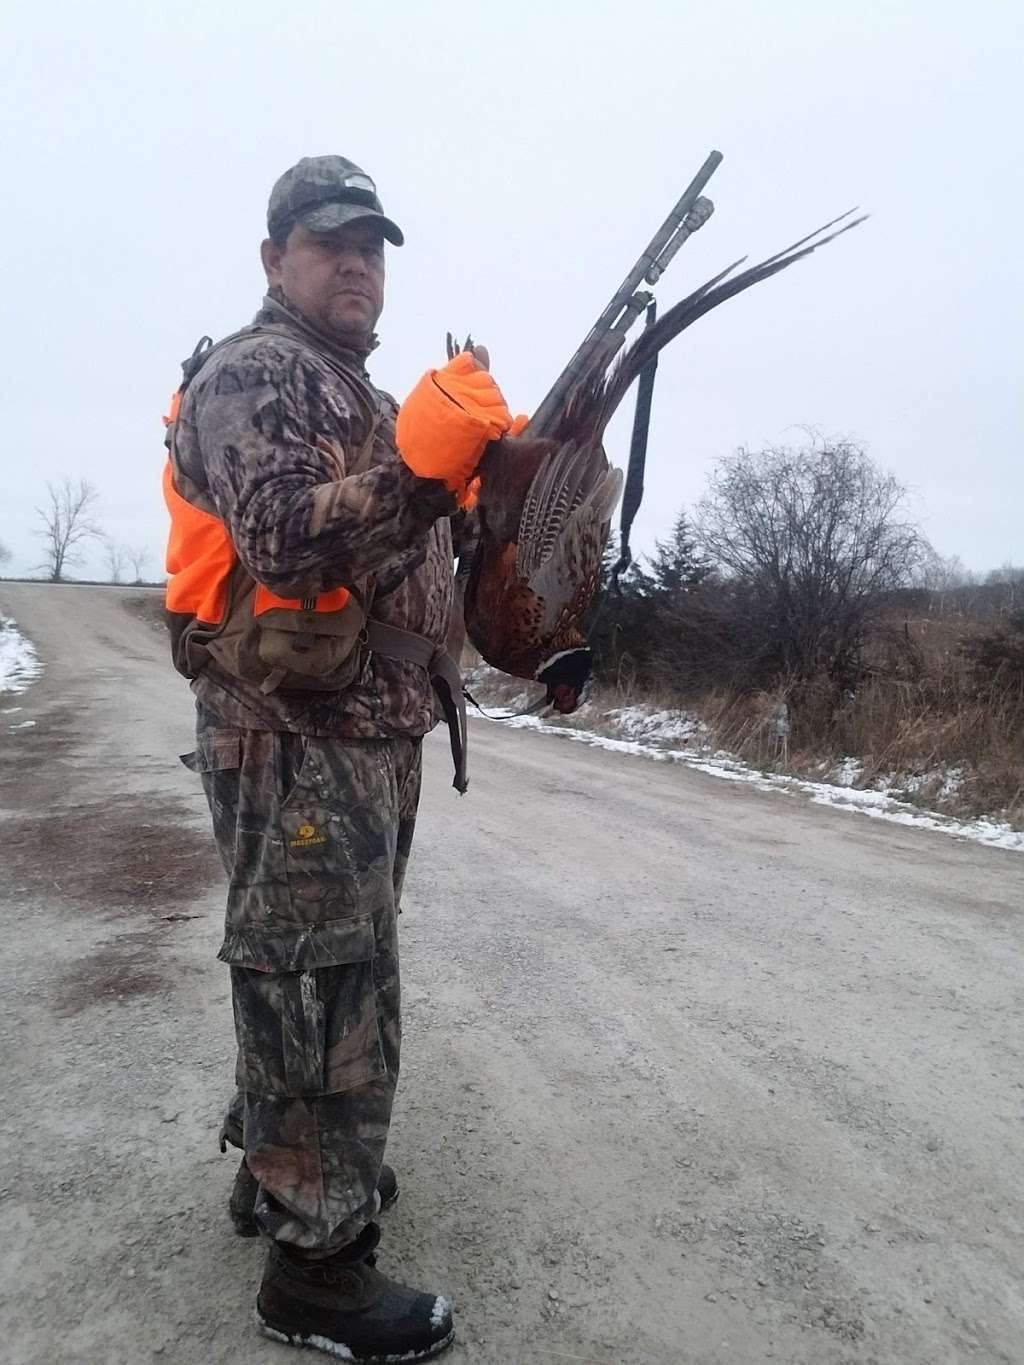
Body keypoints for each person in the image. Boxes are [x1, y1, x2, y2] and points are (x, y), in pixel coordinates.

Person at [164, 154, 519, 1363]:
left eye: (372, 244)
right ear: (276, 260)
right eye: (328, 243)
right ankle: (313, 1269)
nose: (356, 262)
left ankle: (290, 1172)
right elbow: (281, 542)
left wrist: (486, 480)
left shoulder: (348, 386)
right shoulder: (256, 371)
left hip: (361, 737)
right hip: (295, 737)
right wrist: (424, 470)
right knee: (320, 980)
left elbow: (409, 548)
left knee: (330, 967)